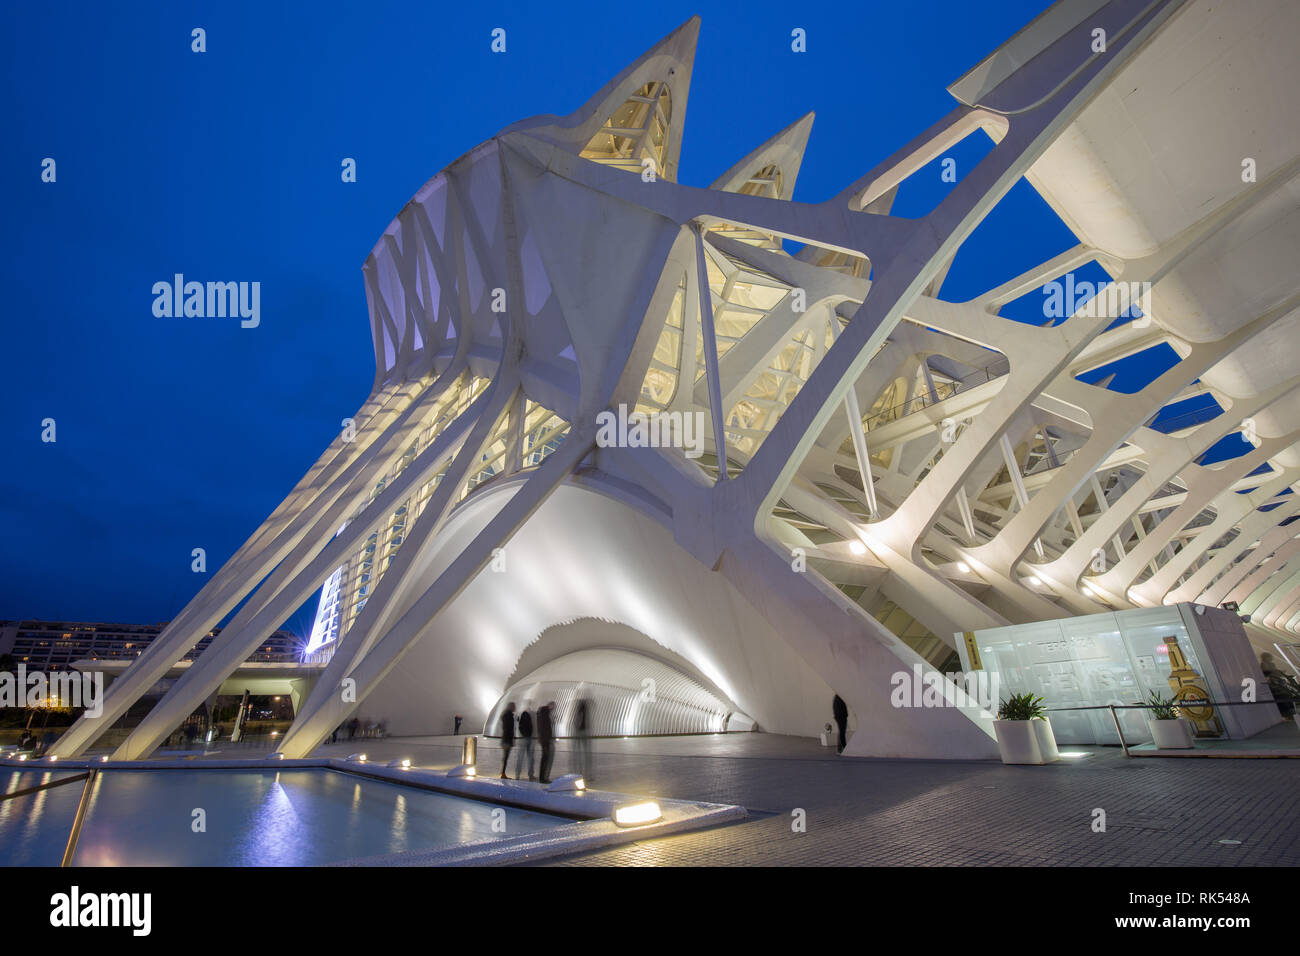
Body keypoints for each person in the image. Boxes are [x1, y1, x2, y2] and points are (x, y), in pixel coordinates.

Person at [574, 697, 593, 782]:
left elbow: (577, 722)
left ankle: (581, 773)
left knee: (581, 755)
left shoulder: (579, 712)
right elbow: (578, 722)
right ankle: (585, 774)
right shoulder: (583, 712)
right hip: (582, 733)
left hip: (580, 733)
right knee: (585, 755)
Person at [514, 707, 535, 781]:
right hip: (526, 738)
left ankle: (518, 775)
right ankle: (529, 775)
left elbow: (519, 726)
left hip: (525, 738)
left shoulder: (524, 715)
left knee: (523, 758)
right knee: (529, 758)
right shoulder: (526, 715)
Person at [537, 701, 556, 784]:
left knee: (545, 758)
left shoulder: (542, 713)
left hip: (545, 739)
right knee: (546, 758)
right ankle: (543, 778)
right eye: (553, 706)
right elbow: (544, 728)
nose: (553, 708)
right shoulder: (545, 713)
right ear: (550, 705)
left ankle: (543, 777)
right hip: (546, 740)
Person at [499, 702, 517, 779]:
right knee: (505, 757)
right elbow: (508, 728)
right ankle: (502, 773)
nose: (515, 708)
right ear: (510, 707)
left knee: (505, 757)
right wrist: (510, 738)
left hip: (506, 739)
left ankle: (502, 773)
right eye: (513, 706)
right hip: (507, 739)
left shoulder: (507, 715)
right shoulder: (508, 715)